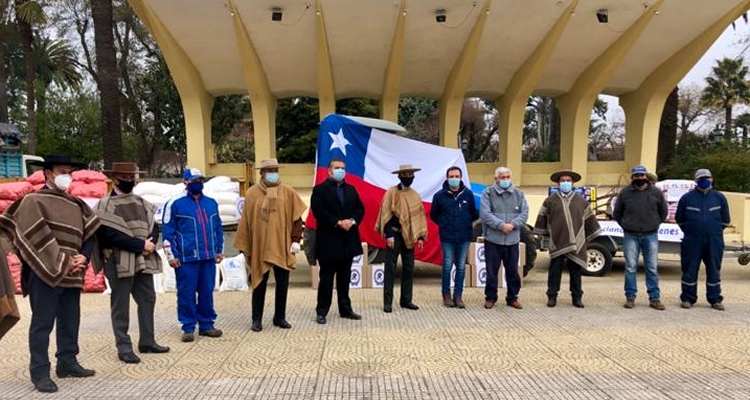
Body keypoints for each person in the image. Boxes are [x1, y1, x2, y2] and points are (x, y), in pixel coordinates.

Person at [0, 155, 101, 393]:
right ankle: (40, 372)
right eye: (62, 171)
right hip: (42, 273)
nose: (67, 176)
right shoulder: (32, 201)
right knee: (42, 324)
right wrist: (62, 260)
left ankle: (67, 362)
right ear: (48, 174)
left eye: (70, 172)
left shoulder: (76, 203)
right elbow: (30, 238)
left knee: (70, 320)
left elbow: (90, 233)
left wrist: (84, 257)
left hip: (73, 273)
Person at [95, 162, 170, 364]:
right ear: (114, 178)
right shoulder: (104, 205)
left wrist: (152, 242)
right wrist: (140, 244)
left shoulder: (140, 201)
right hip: (117, 259)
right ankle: (123, 346)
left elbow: (154, 225)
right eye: (124, 178)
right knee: (120, 305)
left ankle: (147, 341)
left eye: (131, 178)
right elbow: (109, 235)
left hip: (142, 258)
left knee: (147, 299)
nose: (129, 181)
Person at [235, 158, 306, 332]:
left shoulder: (288, 192)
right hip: (260, 245)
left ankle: (279, 317)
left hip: (282, 245)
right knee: (259, 283)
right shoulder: (252, 193)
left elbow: (297, 218)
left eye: (275, 170)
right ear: (261, 173)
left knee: (282, 284)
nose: (273, 174)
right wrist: (245, 245)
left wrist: (296, 240)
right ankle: (256, 319)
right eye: (269, 171)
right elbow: (246, 221)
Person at [162, 167, 224, 342]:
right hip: (185, 258)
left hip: (208, 257)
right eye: (194, 181)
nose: (198, 184)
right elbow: (167, 232)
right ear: (185, 182)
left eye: (200, 180)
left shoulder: (211, 203)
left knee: (207, 291)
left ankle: (206, 325)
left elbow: (218, 228)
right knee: (186, 293)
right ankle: (188, 326)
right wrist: (171, 256)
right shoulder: (174, 203)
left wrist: (219, 249)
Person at [533, 169, 601, 308]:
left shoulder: (581, 200)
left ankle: (577, 297)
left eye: (568, 181)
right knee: (555, 271)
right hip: (557, 241)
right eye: (563, 181)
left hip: (577, 242)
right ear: (558, 183)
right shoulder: (550, 200)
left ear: (573, 183)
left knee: (575, 271)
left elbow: (589, 220)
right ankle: (552, 296)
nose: (565, 183)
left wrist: (587, 236)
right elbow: (543, 219)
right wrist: (546, 235)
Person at [311, 158, 364, 324]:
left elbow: (360, 208)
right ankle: (322, 311)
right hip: (328, 242)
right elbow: (318, 211)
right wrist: (338, 222)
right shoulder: (320, 190)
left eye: (342, 168)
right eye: (337, 168)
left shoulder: (351, 189)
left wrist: (352, 221)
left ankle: (345, 310)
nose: (340, 170)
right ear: (329, 170)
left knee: (344, 279)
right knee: (326, 280)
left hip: (347, 242)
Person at [613, 165, 668, 310]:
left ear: (646, 176)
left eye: (641, 176)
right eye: (636, 176)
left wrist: (654, 224)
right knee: (630, 268)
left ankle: (654, 298)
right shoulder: (625, 193)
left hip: (651, 235)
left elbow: (663, 212)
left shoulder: (656, 192)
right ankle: (630, 297)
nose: (639, 178)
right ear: (632, 178)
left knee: (652, 268)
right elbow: (617, 213)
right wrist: (626, 225)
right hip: (631, 235)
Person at [675, 168, 730, 311]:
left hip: (714, 241)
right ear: (696, 180)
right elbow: (679, 219)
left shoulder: (719, 197)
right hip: (692, 241)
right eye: (701, 178)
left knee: (714, 269)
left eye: (707, 177)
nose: (704, 180)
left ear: (712, 179)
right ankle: (688, 298)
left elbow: (725, 220)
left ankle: (715, 299)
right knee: (689, 269)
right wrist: (693, 231)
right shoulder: (687, 198)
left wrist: (713, 231)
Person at [376, 163, 427, 313]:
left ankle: (406, 300)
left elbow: (419, 217)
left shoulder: (415, 195)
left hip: (410, 236)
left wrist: (421, 237)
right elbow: (385, 213)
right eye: (405, 175)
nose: (408, 177)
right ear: (399, 176)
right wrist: (389, 234)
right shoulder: (392, 192)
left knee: (409, 268)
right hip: (394, 234)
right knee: (390, 268)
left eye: (410, 175)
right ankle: (387, 302)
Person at [480, 167, 528, 310]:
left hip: (512, 240)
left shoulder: (519, 194)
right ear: (496, 179)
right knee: (491, 271)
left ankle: (512, 298)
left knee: (513, 270)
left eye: (508, 177)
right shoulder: (487, 193)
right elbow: (485, 214)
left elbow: (524, 214)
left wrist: (512, 225)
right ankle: (490, 298)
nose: (505, 180)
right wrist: (501, 225)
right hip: (493, 239)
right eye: (502, 177)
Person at [430, 166, 476, 308]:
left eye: (457, 176)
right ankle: (446, 295)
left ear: (461, 178)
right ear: (447, 178)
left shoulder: (468, 194)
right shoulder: (439, 196)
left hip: (464, 236)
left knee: (461, 266)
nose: (454, 179)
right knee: (447, 266)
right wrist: (445, 224)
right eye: (452, 176)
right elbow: (433, 215)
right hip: (447, 236)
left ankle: (458, 296)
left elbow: (474, 213)